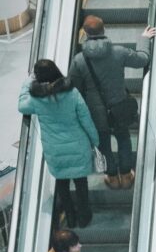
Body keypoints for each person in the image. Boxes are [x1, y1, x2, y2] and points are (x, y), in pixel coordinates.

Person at [67, 15, 154, 190]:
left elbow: (73, 88)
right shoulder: (118, 52)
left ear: (85, 33)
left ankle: (112, 177)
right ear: (103, 30)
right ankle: (127, 175)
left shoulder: (79, 60)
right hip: (119, 107)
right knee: (123, 138)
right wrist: (143, 39)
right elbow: (143, 59)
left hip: (94, 112)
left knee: (103, 143)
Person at [17, 60, 100, 228]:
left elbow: (21, 106)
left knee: (62, 184)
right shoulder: (72, 93)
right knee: (81, 183)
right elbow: (86, 119)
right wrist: (94, 140)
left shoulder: (36, 99)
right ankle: (84, 217)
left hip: (54, 150)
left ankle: (70, 216)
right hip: (78, 145)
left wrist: (28, 82)